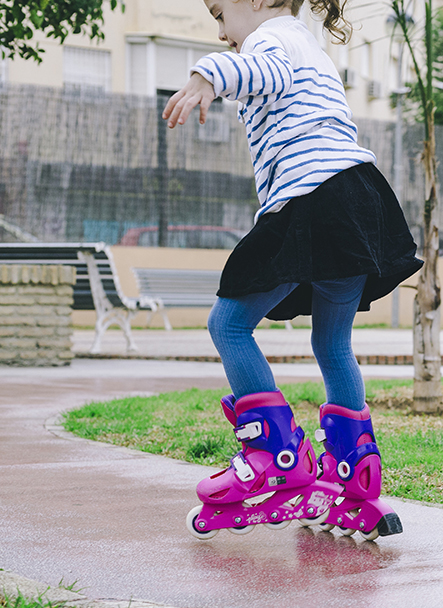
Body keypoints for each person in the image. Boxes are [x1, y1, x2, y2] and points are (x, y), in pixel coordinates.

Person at [163, 0, 421, 537]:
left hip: (314, 197)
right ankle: (354, 475)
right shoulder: (310, 44)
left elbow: (264, 70)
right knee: (332, 344)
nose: (222, 31)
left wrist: (205, 76)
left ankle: (275, 457)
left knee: (228, 324)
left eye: (219, 14)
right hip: (356, 197)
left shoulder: (272, 38)